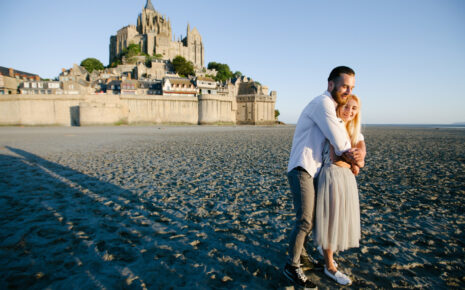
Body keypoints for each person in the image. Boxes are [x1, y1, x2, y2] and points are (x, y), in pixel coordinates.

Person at [283, 66, 363, 288]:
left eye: (352, 88)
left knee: (313, 219)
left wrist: (360, 152)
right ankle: (292, 266)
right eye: (345, 86)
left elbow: (354, 133)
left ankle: (302, 255)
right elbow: (341, 142)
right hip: (302, 168)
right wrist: (357, 160)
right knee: (305, 220)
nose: (348, 91)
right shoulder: (323, 104)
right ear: (331, 85)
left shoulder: (334, 107)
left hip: (314, 169)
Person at [313, 94, 365, 286]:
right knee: (331, 220)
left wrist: (360, 159)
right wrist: (356, 161)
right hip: (332, 175)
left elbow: (360, 149)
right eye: (346, 107)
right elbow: (336, 157)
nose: (349, 112)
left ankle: (327, 253)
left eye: (354, 109)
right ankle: (329, 266)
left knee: (339, 218)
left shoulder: (352, 129)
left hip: (346, 178)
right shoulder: (333, 125)